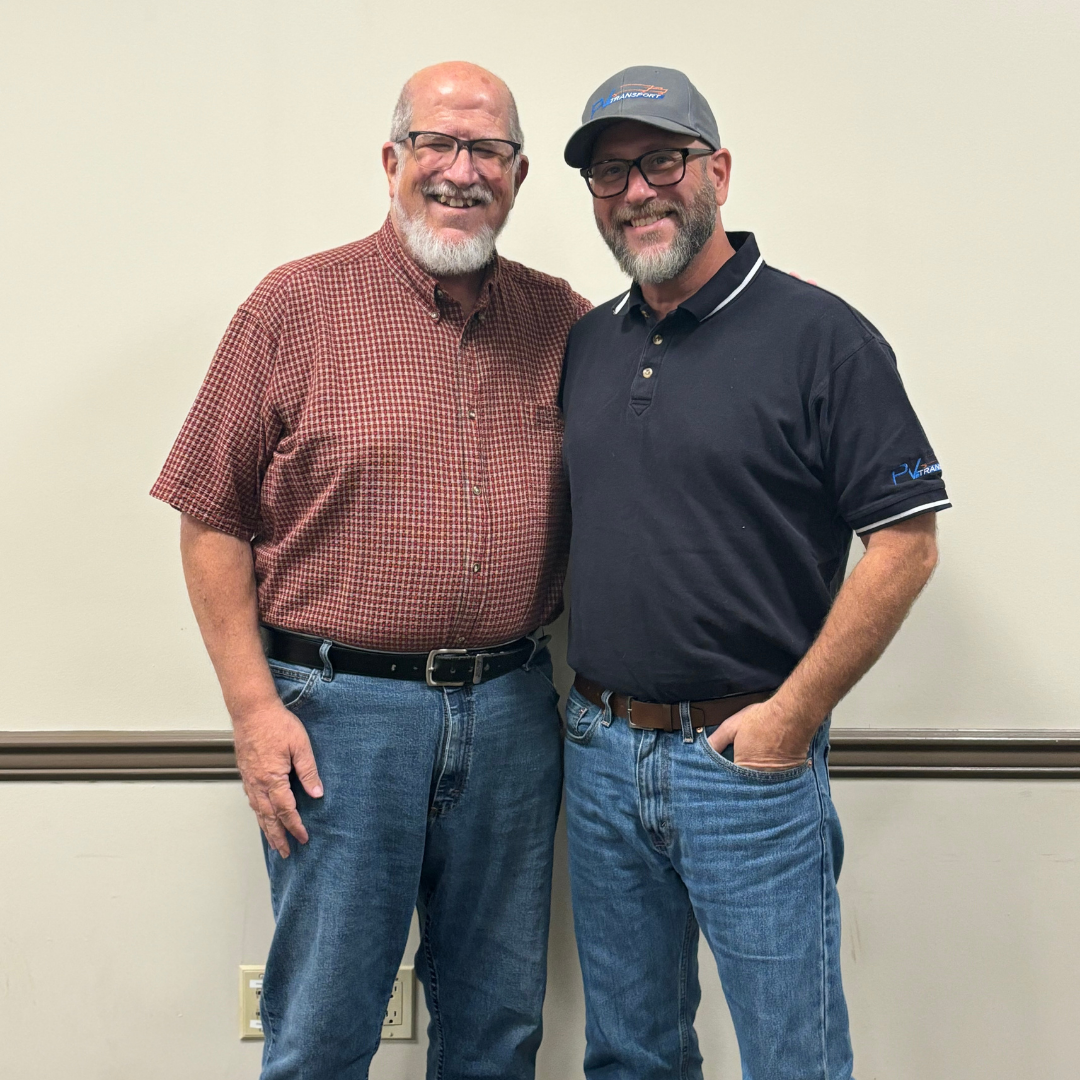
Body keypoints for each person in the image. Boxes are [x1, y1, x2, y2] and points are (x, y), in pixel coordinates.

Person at [151, 61, 590, 1080]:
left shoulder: (566, 324)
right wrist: (255, 713)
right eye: (437, 143)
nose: (460, 170)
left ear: (519, 176)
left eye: (487, 149)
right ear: (392, 161)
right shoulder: (294, 308)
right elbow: (210, 519)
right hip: (336, 719)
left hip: (516, 712)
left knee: (498, 1030)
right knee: (322, 1029)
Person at [559, 66, 950, 1080]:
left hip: (747, 764)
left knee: (793, 1058)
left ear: (718, 170)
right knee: (629, 1056)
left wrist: (790, 717)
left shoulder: (822, 338)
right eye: (610, 175)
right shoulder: (587, 346)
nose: (637, 192)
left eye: (663, 161)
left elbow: (906, 544)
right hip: (599, 753)